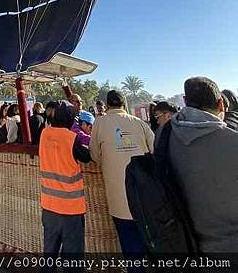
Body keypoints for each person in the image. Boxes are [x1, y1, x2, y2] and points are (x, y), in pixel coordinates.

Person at [168, 76, 238, 252]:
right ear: (221, 103)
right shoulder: (232, 141)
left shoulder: (165, 135)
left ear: (185, 101)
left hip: (186, 244)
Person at [90, 90, 154, 262]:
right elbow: (155, 151)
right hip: (144, 196)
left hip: (118, 197)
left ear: (107, 104)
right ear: (124, 104)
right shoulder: (139, 123)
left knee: (129, 243)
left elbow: (94, 154)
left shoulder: (100, 124)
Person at [39, 100, 91, 268]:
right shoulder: (71, 138)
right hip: (70, 208)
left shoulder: (44, 134)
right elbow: (87, 157)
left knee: (49, 255)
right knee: (72, 259)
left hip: (49, 206)